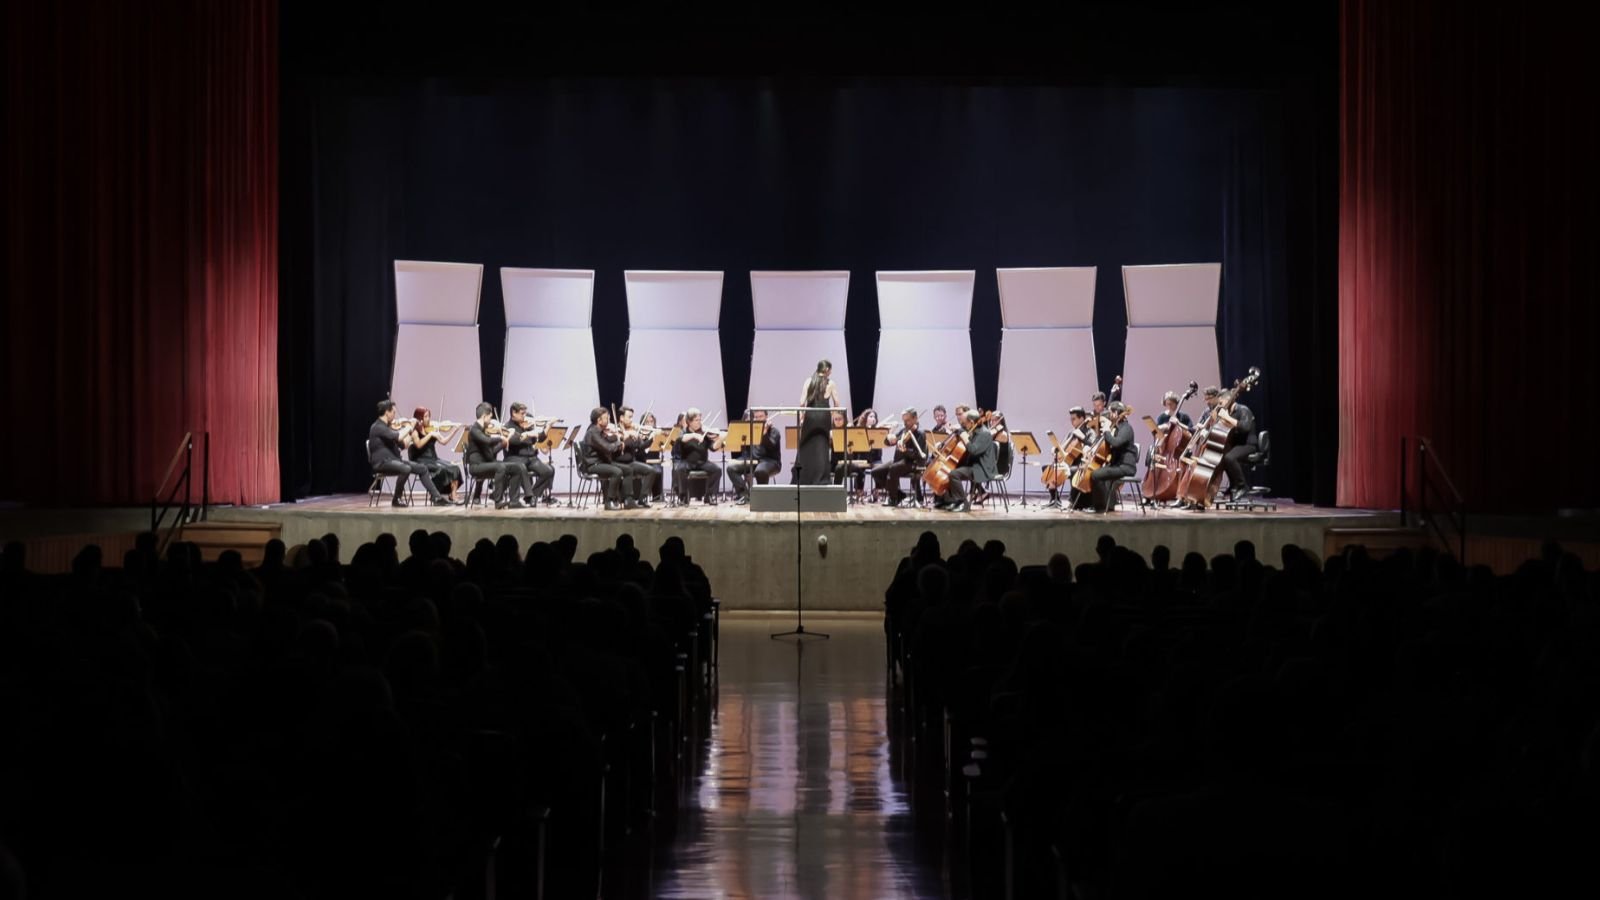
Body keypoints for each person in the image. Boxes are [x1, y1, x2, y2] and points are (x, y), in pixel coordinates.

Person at [368, 400, 447, 507]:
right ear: (387, 412)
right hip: (382, 463)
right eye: (393, 412)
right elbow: (399, 436)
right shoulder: (378, 427)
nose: (394, 415)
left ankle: (436, 497)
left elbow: (404, 445)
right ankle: (396, 499)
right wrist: (409, 426)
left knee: (422, 468)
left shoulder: (388, 428)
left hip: (394, 461)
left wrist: (412, 431)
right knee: (405, 468)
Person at [462, 402, 522, 509]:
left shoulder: (483, 431)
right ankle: (498, 501)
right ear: (484, 416)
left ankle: (514, 501)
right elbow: (487, 441)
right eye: (490, 417)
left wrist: (502, 445)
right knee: (500, 467)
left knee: (517, 467)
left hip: (486, 463)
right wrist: (500, 438)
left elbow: (490, 454)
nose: (490, 420)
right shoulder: (474, 430)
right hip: (476, 466)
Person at [940, 409, 997, 512]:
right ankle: (952, 501)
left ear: (971, 422)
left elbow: (974, 450)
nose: (964, 426)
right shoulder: (975, 431)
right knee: (949, 470)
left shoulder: (984, 433)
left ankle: (964, 504)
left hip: (982, 467)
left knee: (954, 474)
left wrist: (965, 438)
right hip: (975, 464)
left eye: (965, 423)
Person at [1085, 400, 1138, 512]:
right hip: (1118, 465)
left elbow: (1116, 443)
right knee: (1102, 473)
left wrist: (1107, 432)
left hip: (1126, 467)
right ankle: (1108, 505)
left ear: (1116, 413)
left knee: (1095, 475)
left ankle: (1100, 506)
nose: (1109, 415)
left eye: (1111, 413)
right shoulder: (1118, 428)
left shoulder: (1126, 428)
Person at [584, 407, 639, 510]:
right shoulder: (593, 432)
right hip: (593, 464)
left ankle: (628, 500)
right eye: (606, 418)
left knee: (628, 470)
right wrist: (619, 444)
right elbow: (608, 447)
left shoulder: (599, 431)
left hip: (602, 462)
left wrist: (621, 437)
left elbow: (609, 439)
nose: (608, 420)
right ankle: (609, 501)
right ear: (599, 420)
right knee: (617, 472)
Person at [403, 406, 463, 502]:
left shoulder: (431, 428)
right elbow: (418, 445)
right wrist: (430, 435)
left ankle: (453, 494)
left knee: (454, 467)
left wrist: (454, 430)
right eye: (426, 416)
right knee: (441, 469)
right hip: (420, 460)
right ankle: (436, 495)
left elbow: (444, 441)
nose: (428, 419)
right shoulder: (414, 431)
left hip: (434, 458)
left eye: (428, 416)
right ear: (419, 418)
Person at [795, 359, 840, 485]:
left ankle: (803, 478)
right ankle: (821, 479)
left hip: (810, 415)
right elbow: (836, 402)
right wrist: (831, 414)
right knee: (822, 446)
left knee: (806, 445)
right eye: (830, 370)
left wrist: (803, 416)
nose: (831, 372)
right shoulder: (831, 383)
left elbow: (801, 402)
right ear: (826, 370)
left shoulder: (808, 381)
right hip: (824, 415)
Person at [872, 407, 926, 507]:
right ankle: (899, 494)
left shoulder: (920, 433)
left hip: (912, 463)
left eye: (907, 420)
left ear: (915, 418)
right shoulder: (903, 430)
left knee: (893, 468)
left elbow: (918, 455)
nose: (905, 423)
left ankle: (893, 498)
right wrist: (888, 439)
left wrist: (906, 451)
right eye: (903, 420)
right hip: (899, 461)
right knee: (875, 472)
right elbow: (889, 442)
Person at [505, 402, 555, 507]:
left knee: (548, 471)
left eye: (525, 414)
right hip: (516, 458)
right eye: (522, 414)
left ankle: (533, 495)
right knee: (521, 467)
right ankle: (530, 497)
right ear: (514, 413)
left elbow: (540, 439)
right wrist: (527, 432)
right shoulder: (508, 427)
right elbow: (517, 440)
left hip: (531, 458)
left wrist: (548, 426)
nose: (525, 416)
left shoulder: (528, 425)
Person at [728, 408, 781, 505]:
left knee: (760, 471)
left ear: (766, 417)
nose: (758, 419)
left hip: (770, 461)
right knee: (731, 467)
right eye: (756, 417)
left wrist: (764, 433)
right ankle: (745, 495)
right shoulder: (752, 431)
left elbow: (771, 446)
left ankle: (761, 499)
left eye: (761, 416)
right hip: (753, 460)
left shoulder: (774, 432)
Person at [673, 408, 725, 503]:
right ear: (689, 421)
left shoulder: (704, 432)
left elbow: (713, 448)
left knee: (717, 470)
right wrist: (694, 435)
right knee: (680, 469)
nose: (699, 422)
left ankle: (709, 496)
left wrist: (720, 439)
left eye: (700, 420)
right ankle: (683, 497)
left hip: (702, 462)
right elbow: (681, 439)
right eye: (696, 420)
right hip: (687, 462)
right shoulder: (684, 431)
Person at [1216, 390, 1258, 502]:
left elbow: (1245, 427)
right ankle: (1234, 485)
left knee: (1230, 457)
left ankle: (1242, 486)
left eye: (1221, 402)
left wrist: (1227, 418)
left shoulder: (1243, 410)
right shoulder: (1229, 412)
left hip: (1249, 445)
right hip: (1237, 445)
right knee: (1221, 457)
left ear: (1229, 400)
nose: (1220, 405)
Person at [616, 406, 659, 504]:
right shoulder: (616, 430)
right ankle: (627, 498)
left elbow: (640, 447)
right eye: (629, 417)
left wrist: (651, 439)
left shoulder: (633, 430)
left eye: (632, 417)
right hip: (618, 462)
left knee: (651, 471)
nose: (631, 420)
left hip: (631, 462)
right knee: (629, 470)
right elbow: (617, 445)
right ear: (621, 418)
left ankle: (642, 498)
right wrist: (628, 436)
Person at [636, 411, 666, 502]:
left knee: (658, 469)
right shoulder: (639, 434)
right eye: (647, 422)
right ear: (642, 423)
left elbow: (662, 447)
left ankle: (657, 496)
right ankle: (643, 496)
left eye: (651, 422)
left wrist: (662, 444)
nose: (649, 424)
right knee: (654, 470)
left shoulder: (657, 433)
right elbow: (641, 450)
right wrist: (650, 439)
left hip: (654, 460)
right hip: (642, 461)